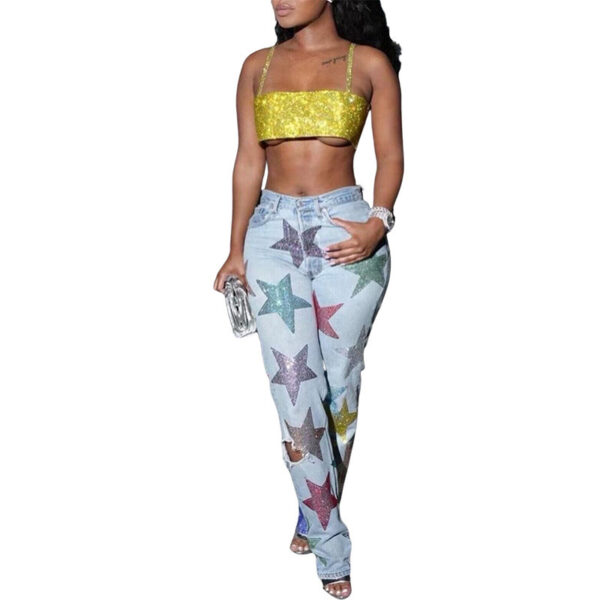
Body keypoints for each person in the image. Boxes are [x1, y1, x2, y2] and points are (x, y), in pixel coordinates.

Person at [213, 1, 403, 596]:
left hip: (346, 232)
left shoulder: (367, 63)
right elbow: (248, 161)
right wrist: (235, 249)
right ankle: (330, 541)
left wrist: (377, 222)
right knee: (294, 387)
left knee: (338, 387)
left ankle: (313, 504)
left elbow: (391, 155)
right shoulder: (257, 65)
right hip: (270, 236)